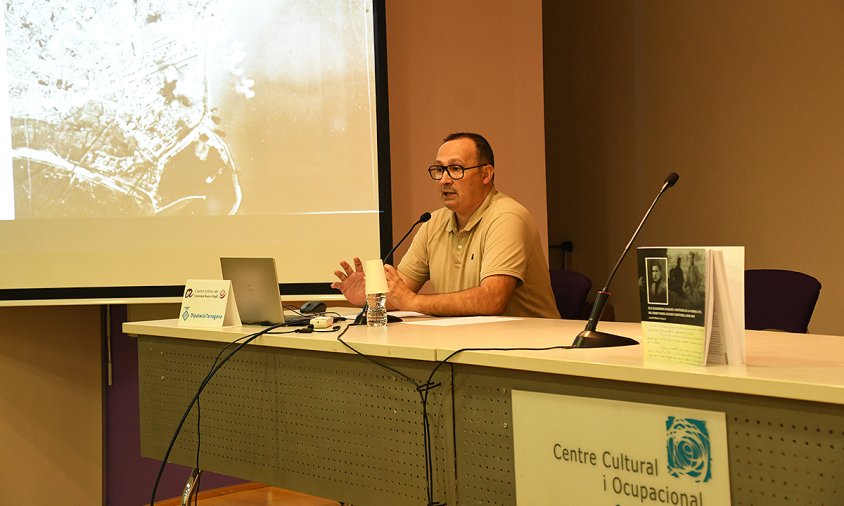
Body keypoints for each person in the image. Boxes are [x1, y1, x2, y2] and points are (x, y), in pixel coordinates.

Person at [331, 132, 560, 318]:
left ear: (486, 174)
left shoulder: (508, 218)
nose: (444, 180)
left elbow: (493, 300)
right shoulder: (434, 222)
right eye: (440, 169)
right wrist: (371, 296)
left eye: (456, 169)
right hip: (467, 343)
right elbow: (402, 292)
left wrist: (413, 301)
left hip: (530, 349)